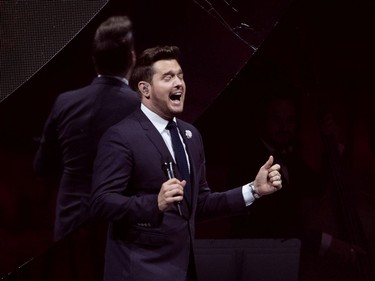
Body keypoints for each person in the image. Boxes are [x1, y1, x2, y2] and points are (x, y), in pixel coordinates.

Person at [90, 45, 282, 281]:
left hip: (183, 270)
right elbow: (101, 202)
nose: (179, 83)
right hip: (139, 271)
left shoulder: (191, 136)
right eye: (168, 77)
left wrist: (253, 190)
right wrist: (154, 204)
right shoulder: (122, 136)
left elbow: (198, 204)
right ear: (145, 89)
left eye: (180, 76)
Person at [225, 92, 366, 281]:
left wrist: (331, 144)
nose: (284, 127)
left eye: (290, 120)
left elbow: (317, 187)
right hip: (253, 266)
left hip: (280, 264)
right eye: (277, 119)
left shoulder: (290, 158)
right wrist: (327, 243)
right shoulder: (249, 160)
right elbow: (273, 226)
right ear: (263, 119)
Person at [33, 15, 140, 242]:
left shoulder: (64, 102)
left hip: (70, 228)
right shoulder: (141, 108)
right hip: (119, 230)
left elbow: (42, 166)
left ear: (94, 59)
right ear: (132, 59)